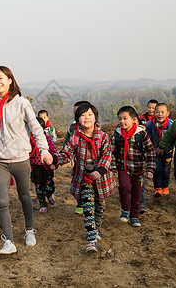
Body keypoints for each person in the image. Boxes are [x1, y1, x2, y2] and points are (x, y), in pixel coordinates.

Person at [0, 66, 53, 255]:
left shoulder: (21, 103)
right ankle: (9, 241)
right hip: (0, 160)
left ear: (10, 80)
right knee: (2, 201)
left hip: (21, 159)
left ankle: (29, 231)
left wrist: (44, 151)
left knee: (24, 197)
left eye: (0, 78)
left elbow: (36, 129)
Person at [53, 103, 116, 252]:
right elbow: (65, 154)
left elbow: (107, 156)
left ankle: (97, 228)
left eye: (89, 114)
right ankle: (91, 240)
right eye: (82, 115)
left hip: (102, 179)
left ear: (95, 117)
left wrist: (100, 170)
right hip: (84, 180)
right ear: (77, 120)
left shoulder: (103, 137)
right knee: (88, 207)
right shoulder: (75, 138)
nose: (86, 118)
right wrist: (54, 159)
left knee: (100, 207)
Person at [111, 106, 155, 227]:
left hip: (138, 168)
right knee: (125, 187)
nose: (122, 122)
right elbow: (112, 152)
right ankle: (125, 210)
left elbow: (150, 151)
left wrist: (150, 169)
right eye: (119, 119)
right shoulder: (117, 134)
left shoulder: (141, 134)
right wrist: (113, 168)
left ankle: (134, 216)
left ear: (133, 119)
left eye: (125, 118)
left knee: (137, 192)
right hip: (123, 167)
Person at [63, 100, 91, 215]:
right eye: (76, 112)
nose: (77, 114)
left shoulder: (94, 128)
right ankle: (80, 203)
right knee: (79, 181)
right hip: (78, 162)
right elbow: (66, 144)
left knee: (89, 183)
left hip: (91, 163)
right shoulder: (72, 127)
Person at [30, 117, 58, 213]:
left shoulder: (47, 139)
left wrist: (54, 163)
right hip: (35, 168)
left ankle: (49, 194)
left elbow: (53, 151)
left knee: (49, 186)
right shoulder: (28, 140)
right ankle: (43, 204)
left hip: (47, 167)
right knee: (39, 188)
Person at [146, 103, 173, 197]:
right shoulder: (150, 125)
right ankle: (157, 188)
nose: (160, 114)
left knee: (166, 169)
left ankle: (165, 186)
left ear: (168, 113)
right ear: (154, 113)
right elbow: (146, 137)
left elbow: (174, 138)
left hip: (168, 151)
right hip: (154, 152)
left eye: (162, 112)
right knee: (157, 169)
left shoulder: (170, 125)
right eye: (157, 112)